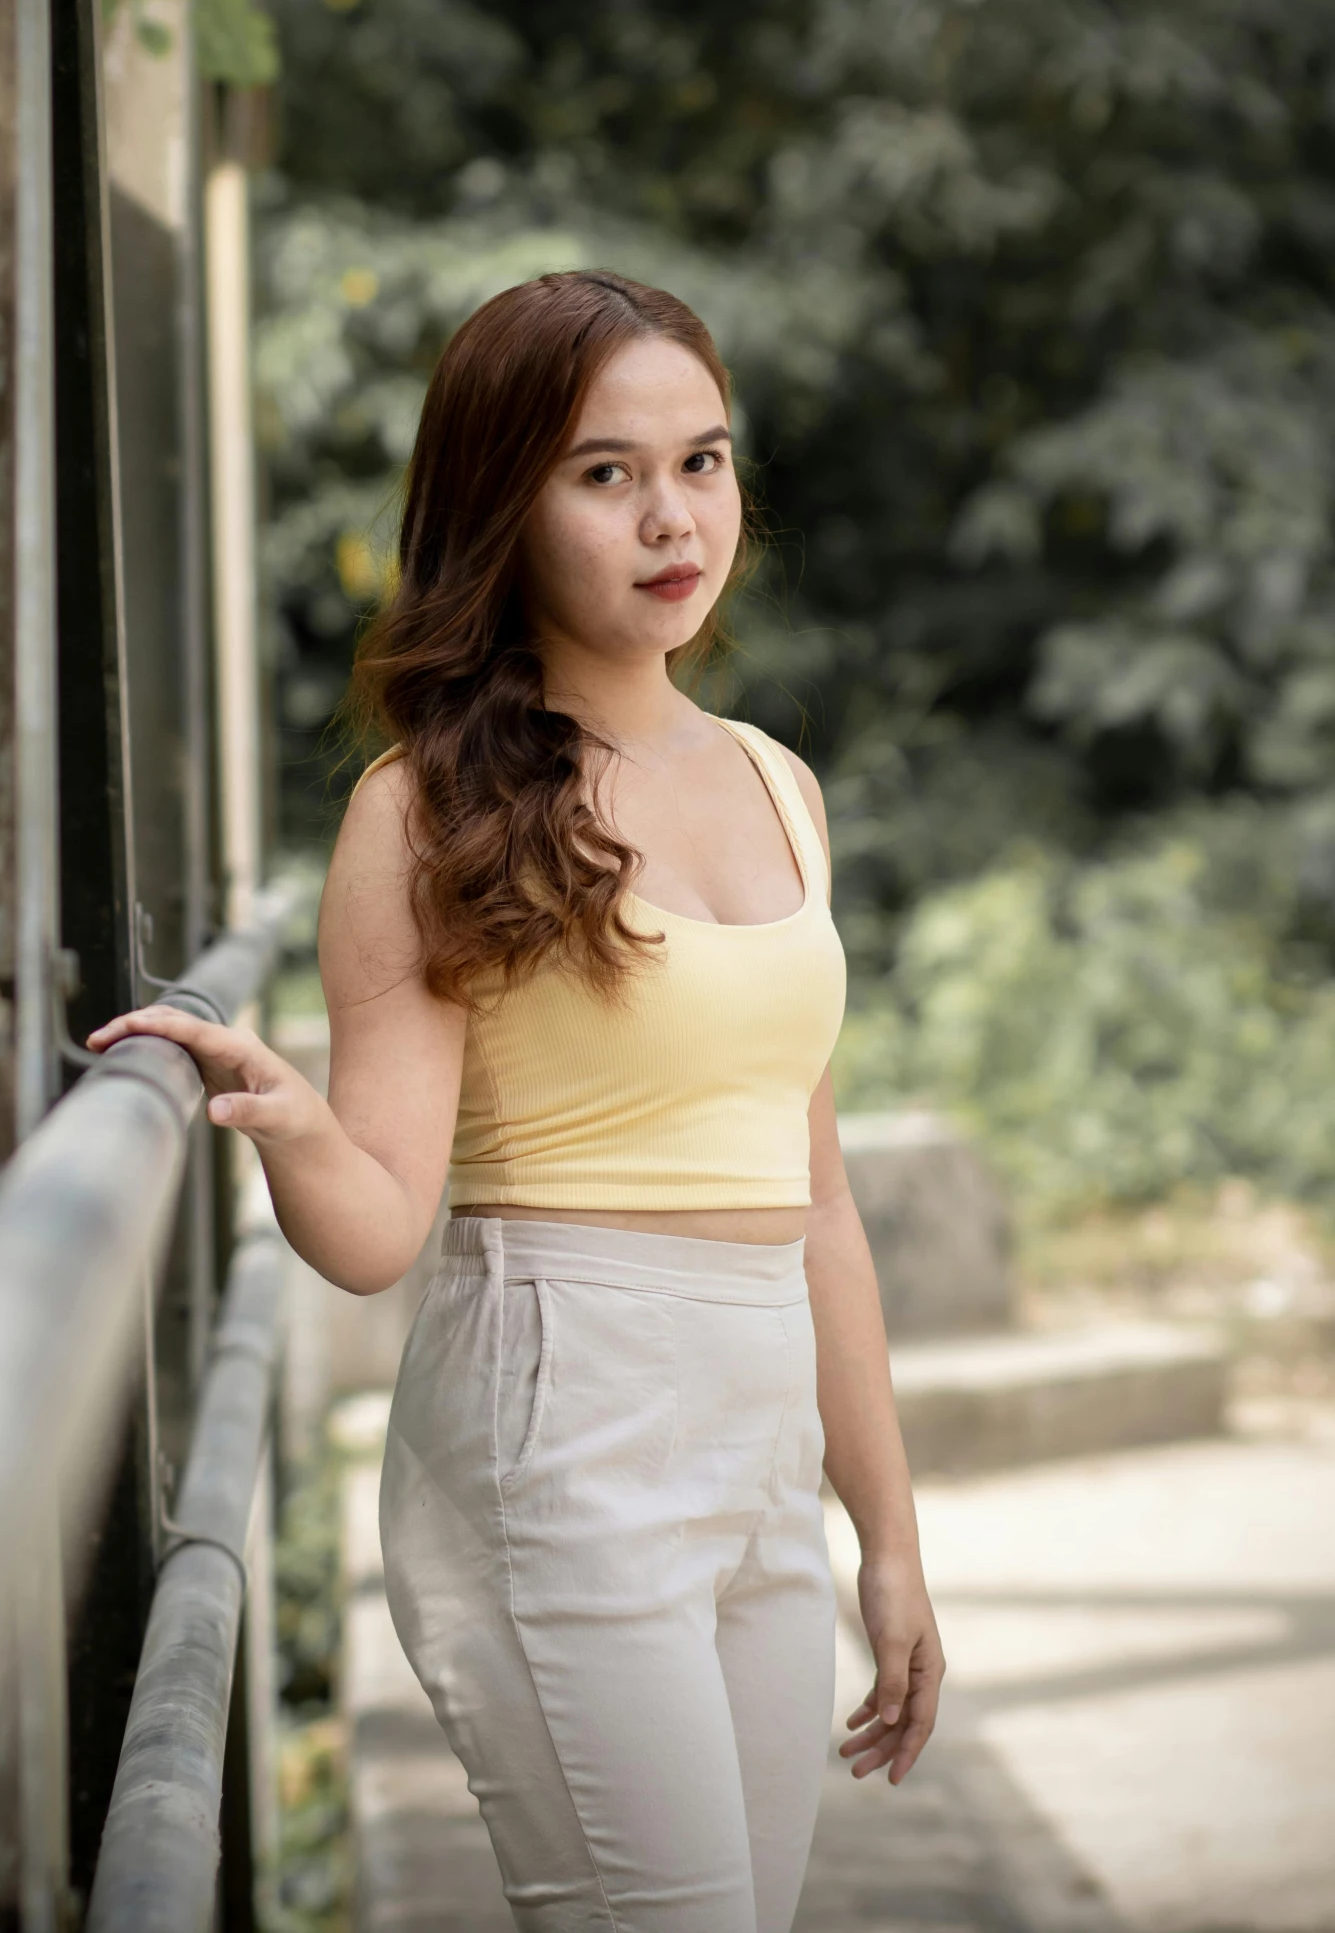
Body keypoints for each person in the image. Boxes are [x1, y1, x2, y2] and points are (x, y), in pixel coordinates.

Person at [90, 270, 944, 1932]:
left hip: (758, 1424)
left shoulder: (777, 780)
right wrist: (290, 1112)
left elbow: (817, 1195)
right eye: (602, 472)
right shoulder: (426, 809)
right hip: (558, 1422)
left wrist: (887, 1535)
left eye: (699, 461)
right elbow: (375, 1228)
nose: (669, 516)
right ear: (502, 503)